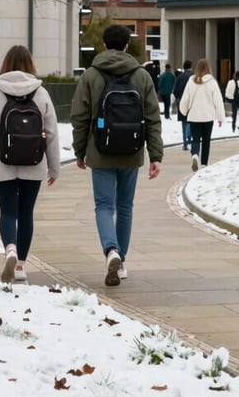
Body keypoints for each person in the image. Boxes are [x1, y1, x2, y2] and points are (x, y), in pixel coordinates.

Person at [70, 24, 163, 286]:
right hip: (132, 151)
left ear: (104, 44)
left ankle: (110, 250)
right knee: (125, 206)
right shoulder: (141, 75)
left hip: (100, 150)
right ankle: (121, 260)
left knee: (104, 205)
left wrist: (80, 150)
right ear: (126, 45)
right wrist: (155, 155)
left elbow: (79, 116)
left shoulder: (91, 75)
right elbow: (152, 117)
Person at [0, 45, 61, 282]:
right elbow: (51, 133)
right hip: (34, 162)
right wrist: (54, 168)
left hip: (3, 162)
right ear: (30, 65)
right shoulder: (41, 94)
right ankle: (21, 266)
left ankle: (10, 249)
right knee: (25, 214)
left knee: (8, 212)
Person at [178, 58, 225, 171]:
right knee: (206, 141)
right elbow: (218, 101)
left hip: (194, 116)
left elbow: (185, 98)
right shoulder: (212, 82)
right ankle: (204, 164)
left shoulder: (191, 81)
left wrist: (183, 110)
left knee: (195, 139)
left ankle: (195, 155)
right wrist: (220, 117)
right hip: (208, 116)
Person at [172, 59, 194, 150]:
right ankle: (189, 137)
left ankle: (185, 142)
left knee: (183, 122)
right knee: (191, 121)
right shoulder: (193, 76)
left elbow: (175, 91)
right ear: (191, 66)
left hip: (182, 101)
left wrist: (178, 98)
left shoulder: (180, 77)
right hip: (192, 102)